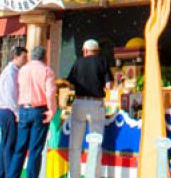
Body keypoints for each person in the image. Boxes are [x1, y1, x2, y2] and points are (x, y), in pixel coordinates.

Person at [8, 46, 57, 178]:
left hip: (24, 109)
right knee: (35, 150)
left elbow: (18, 88)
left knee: (20, 148)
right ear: (45, 57)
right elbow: (50, 93)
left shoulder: (22, 70)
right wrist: (52, 110)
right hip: (39, 110)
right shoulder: (47, 70)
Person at [66, 39, 112, 178]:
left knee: (75, 143)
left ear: (85, 51)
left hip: (79, 103)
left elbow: (70, 85)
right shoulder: (102, 61)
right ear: (97, 51)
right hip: (96, 103)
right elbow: (109, 86)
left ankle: (74, 174)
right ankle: (94, 174)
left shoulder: (77, 62)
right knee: (96, 140)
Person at [0, 46, 28, 178]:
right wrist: (17, 113)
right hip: (8, 111)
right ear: (16, 57)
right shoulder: (10, 72)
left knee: (5, 144)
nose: (25, 60)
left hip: (7, 110)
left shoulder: (15, 71)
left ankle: (2, 173)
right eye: (23, 57)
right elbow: (11, 95)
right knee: (9, 144)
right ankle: (9, 173)